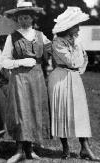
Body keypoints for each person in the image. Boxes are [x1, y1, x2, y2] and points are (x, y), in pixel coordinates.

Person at [1, 1, 52, 162]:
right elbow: (4, 61)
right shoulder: (12, 37)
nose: (24, 21)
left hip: (36, 77)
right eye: (21, 18)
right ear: (17, 19)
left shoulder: (40, 35)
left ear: (32, 18)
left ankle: (30, 149)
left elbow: (52, 52)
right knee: (21, 111)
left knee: (33, 110)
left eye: (27, 17)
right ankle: (18, 150)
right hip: (19, 77)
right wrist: (20, 62)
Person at [48, 7, 100, 161]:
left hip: (74, 78)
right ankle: (65, 148)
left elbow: (84, 60)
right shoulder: (57, 42)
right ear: (68, 27)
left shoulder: (77, 40)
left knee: (80, 112)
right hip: (60, 78)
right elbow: (71, 61)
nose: (78, 28)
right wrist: (76, 59)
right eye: (76, 25)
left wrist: (78, 67)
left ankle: (85, 147)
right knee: (62, 110)